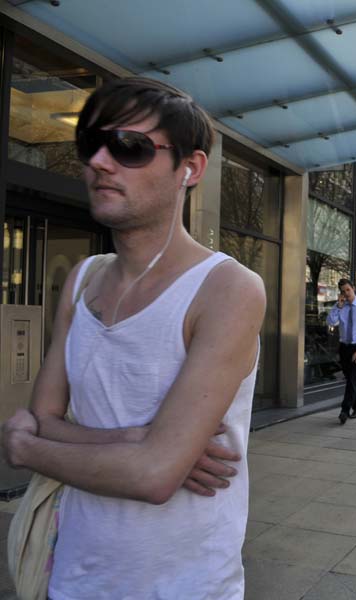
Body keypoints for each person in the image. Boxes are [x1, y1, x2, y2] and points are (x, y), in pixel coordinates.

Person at [0, 77, 266, 599]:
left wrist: (27, 449)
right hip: (72, 573)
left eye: (129, 147)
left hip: (185, 586)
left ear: (190, 168)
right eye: (90, 145)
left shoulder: (227, 289)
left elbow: (151, 478)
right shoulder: (82, 280)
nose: (100, 161)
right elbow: (45, 416)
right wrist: (137, 440)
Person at [326, 278, 356, 424]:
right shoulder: (340, 306)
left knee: (352, 378)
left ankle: (344, 411)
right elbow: (330, 322)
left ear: (353, 289)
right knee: (350, 380)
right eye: (343, 291)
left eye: (348, 290)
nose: (346, 293)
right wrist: (338, 307)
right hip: (344, 347)